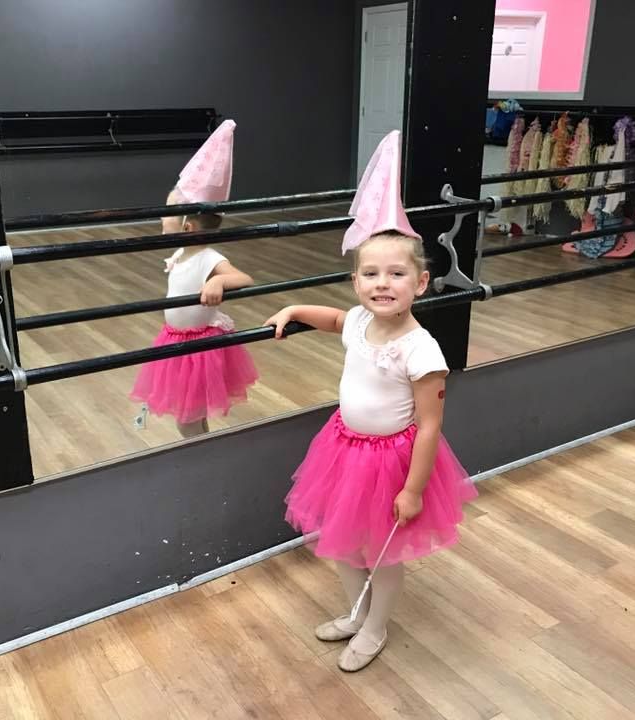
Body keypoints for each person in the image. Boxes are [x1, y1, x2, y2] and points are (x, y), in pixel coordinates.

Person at [265, 131, 476, 672]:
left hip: (391, 462)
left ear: (422, 283)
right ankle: (354, 612)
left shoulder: (421, 349)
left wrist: (412, 489)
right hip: (343, 449)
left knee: (382, 552)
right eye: (371, 274)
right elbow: (335, 319)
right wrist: (293, 309)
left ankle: (376, 626)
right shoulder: (358, 318)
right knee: (340, 542)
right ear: (355, 280)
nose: (383, 284)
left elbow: (430, 427)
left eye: (397, 274)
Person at [130, 119, 258, 438]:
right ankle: (201, 450)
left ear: (187, 228)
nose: (161, 218)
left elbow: (244, 278)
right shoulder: (178, 255)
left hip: (198, 348)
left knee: (188, 417)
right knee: (188, 415)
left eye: (167, 213)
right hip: (175, 339)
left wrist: (217, 282)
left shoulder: (207, 258)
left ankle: (199, 453)